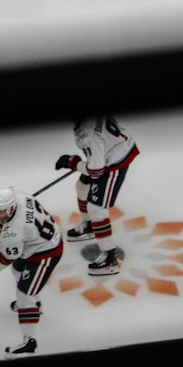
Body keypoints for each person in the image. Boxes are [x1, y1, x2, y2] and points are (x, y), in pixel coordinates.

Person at [0, 185, 63, 356]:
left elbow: (6, 259)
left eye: (0, 211)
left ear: (10, 208)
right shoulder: (18, 195)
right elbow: (10, 221)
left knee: (24, 295)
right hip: (37, 240)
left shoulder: (13, 232)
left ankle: (29, 342)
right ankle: (34, 304)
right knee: (17, 271)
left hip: (46, 252)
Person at [57, 114, 139, 277]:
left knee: (96, 209)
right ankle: (89, 226)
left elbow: (96, 171)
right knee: (82, 187)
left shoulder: (87, 133)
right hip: (112, 149)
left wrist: (73, 163)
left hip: (115, 161)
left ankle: (110, 258)